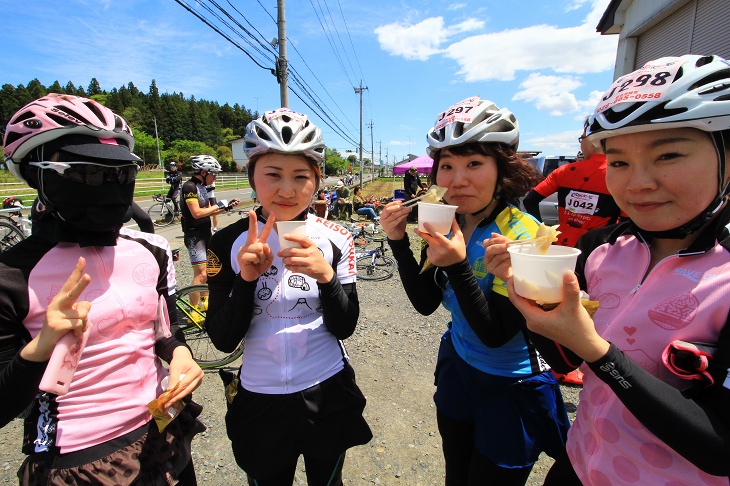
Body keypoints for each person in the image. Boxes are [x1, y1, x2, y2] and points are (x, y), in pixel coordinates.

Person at [485, 54, 730, 485]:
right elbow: (566, 354)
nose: (637, 183)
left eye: (668, 154)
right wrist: (530, 298)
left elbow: (721, 448)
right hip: (578, 466)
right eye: (618, 162)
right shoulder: (600, 248)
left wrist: (600, 352)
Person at [0, 93, 204, 484]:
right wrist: (39, 348)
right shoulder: (10, 276)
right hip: (79, 456)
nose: (110, 186)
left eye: (120, 173)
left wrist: (180, 355)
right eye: (87, 173)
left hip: (164, 425)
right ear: (34, 174)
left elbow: (163, 329)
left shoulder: (152, 250)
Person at [379, 97, 569, 485]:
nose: (457, 179)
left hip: (510, 383)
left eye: (474, 164)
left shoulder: (525, 236)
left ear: (503, 170)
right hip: (458, 366)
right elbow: (426, 303)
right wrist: (398, 240)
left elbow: (497, 334)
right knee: (456, 470)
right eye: (447, 166)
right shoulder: (448, 220)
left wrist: (458, 265)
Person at [205, 107, 372, 485]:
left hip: (327, 387)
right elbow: (222, 339)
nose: (287, 189)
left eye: (301, 176)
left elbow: (345, 327)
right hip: (258, 395)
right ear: (252, 177)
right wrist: (246, 278)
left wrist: (327, 277)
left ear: (317, 180)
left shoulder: (336, 237)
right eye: (273, 175)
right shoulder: (227, 241)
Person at [522, 118, 622, 248]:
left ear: (593, 141)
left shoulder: (565, 171)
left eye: (581, 139)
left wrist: (544, 233)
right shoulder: (619, 174)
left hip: (561, 245)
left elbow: (530, 200)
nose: (580, 144)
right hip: (599, 248)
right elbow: (629, 221)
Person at [180, 155, 240, 310]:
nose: (215, 177)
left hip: (205, 232)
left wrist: (226, 207)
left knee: (208, 272)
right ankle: (193, 309)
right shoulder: (189, 187)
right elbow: (197, 213)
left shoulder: (202, 187)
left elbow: (207, 212)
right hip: (194, 235)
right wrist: (219, 205)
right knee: (200, 275)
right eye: (213, 173)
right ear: (203, 172)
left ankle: (204, 303)